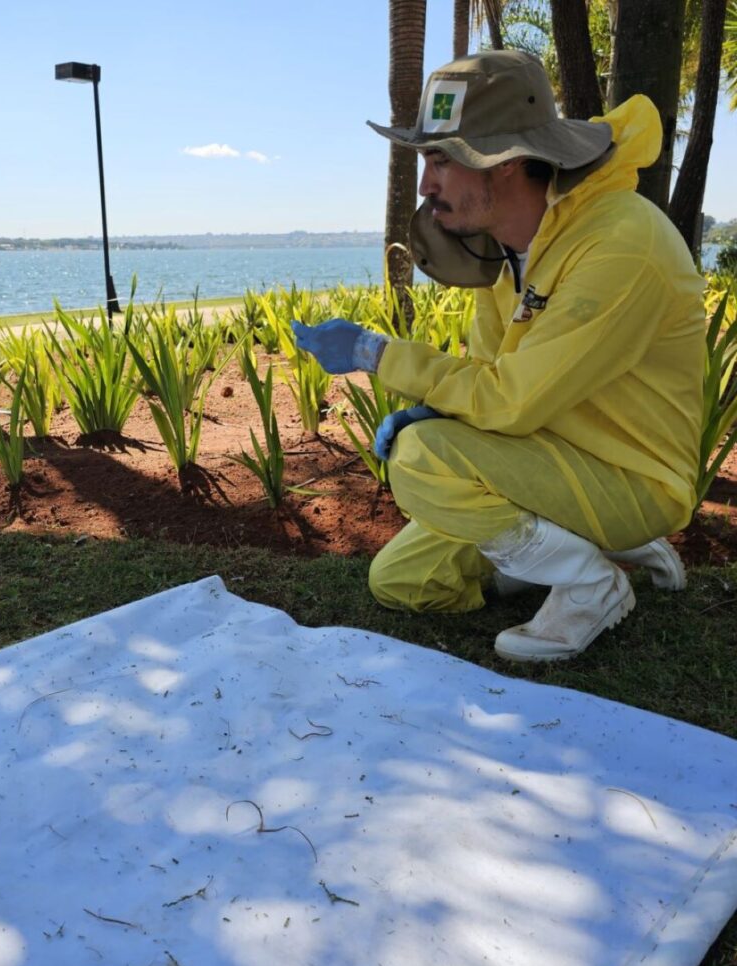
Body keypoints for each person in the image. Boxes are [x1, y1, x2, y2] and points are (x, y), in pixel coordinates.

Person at [292, 49, 705, 663]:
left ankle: (591, 583)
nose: (427, 185)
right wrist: (437, 408)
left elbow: (512, 399)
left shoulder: (622, 243)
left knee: (420, 459)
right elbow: (491, 379)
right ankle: (588, 549)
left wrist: (374, 353)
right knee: (403, 580)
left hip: (631, 476)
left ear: (505, 160)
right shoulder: (504, 251)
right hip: (550, 460)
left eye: (440, 159)